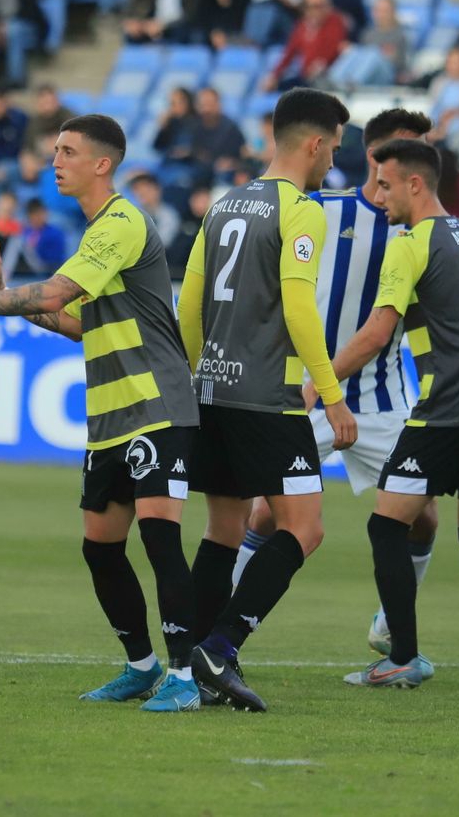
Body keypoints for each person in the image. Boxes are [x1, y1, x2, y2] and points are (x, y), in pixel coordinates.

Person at [0, 114, 204, 712]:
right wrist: (10, 291)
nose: (55, 160)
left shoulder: (121, 223)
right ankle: (141, 665)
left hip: (158, 404)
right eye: (54, 150)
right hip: (111, 412)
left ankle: (187, 677)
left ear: (102, 163)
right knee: (99, 545)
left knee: (161, 539)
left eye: (67, 151)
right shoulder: (96, 233)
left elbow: (58, 292)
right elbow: (73, 322)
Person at [231, 109, 439, 664]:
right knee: (267, 514)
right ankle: (224, 621)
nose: (423, 167)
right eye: (411, 153)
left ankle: (394, 625)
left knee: (423, 514)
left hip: (383, 397)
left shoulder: (426, 228)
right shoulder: (320, 209)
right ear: (376, 159)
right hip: (307, 390)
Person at [176, 88, 358, 713]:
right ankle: (221, 647)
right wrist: (331, 396)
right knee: (304, 529)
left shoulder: (224, 204)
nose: (334, 159)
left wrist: (198, 376)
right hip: (270, 398)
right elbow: (300, 307)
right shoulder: (303, 211)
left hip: (214, 390)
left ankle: (189, 665)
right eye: (333, 147)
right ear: (313, 144)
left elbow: (189, 301)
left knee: (223, 528)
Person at [332, 136, 459, 690]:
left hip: (449, 405)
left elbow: (374, 333)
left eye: (386, 185)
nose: (380, 196)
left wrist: (320, 385)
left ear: (415, 184)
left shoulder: (411, 243)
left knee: (386, 524)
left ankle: (403, 657)